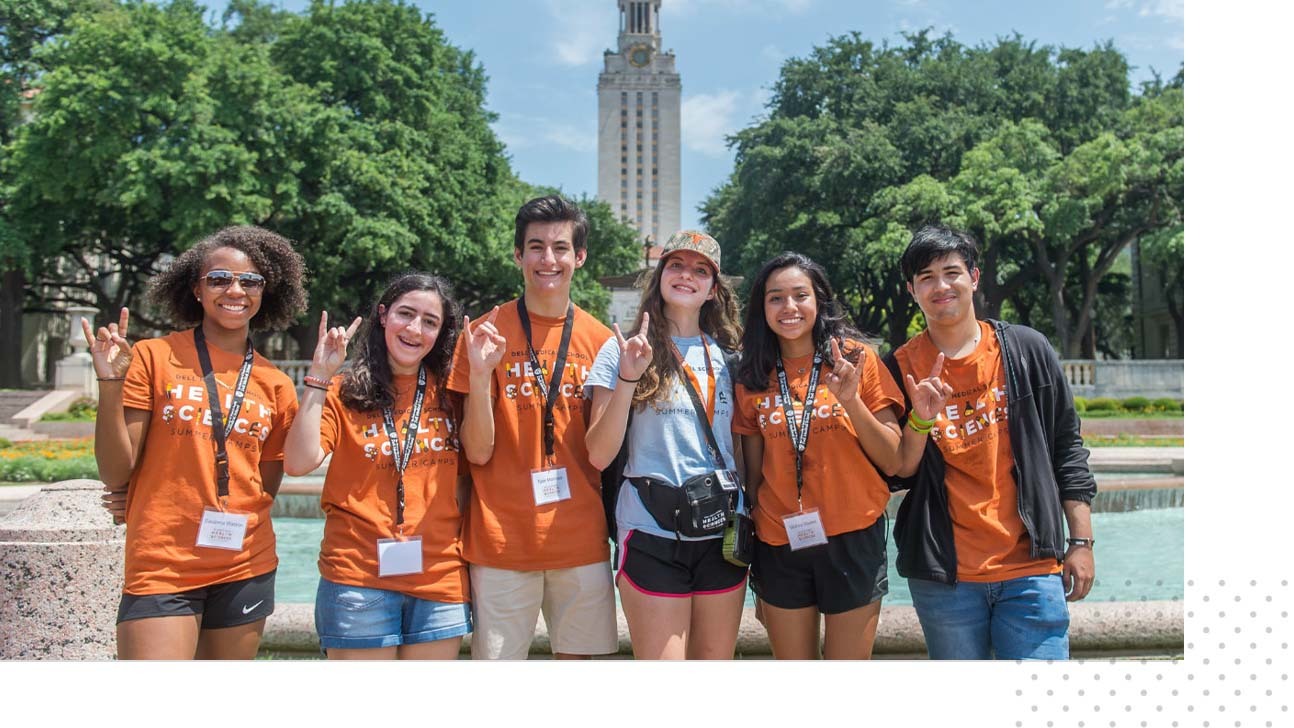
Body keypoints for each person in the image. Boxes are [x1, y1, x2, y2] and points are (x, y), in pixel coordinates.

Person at [83, 226, 307, 660]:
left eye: (251, 281)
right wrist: (110, 383)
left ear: (265, 292)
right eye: (219, 279)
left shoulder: (276, 384)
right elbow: (115, 471)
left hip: (246, 561)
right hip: (164, 561)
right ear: (196, 289)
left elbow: (264, 486)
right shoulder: (153, 356)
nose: (235, 290)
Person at [884, 224, 1097, 660]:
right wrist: (920, 421)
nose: (941, 286)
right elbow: (892, 472)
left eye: (951, 272)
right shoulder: (898, 368)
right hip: (945, 576)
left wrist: (1082, 541)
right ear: (912, 290)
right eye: (926, 277)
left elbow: (1066, 448)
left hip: (1033, 568)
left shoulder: (1026, 349)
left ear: (974, 278)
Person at [733, 252, 930, 659]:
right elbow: (752, 476)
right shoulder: (752, 374)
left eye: (799, 295)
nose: (789, 307)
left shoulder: (857, 360)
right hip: (778, 540)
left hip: (853, 534)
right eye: (775, 298)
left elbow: (894, 460)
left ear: (819, 300)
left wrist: (851, 400)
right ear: (761, 308)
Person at [448, 195, 618, 660]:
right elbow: (477, 452)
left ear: (579, 257)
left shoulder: (602, 341)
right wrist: (482, 375)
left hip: (581, 542)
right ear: (518, 255)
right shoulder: (482, 335)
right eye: (536, 246)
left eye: (561, 248)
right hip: (501, 544)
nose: (549, 259)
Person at [283, 273, 472, 659]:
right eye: (406, 314)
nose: (415, 329)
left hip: (439, 579)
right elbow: (300, 463)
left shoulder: (453, 394)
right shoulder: (343, 390)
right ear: (383, 316)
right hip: (358, 576)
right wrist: (320, 376)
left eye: (430, 321)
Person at [585, 230, 747, 660]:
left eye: (700, 270)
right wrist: (627, 377)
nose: (686, 276)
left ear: (714, 289)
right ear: (659, 276)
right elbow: (599, 453)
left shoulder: (732, 355)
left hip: (721, 531)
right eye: (675, 265)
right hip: (651, 528)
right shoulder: (619, 351)